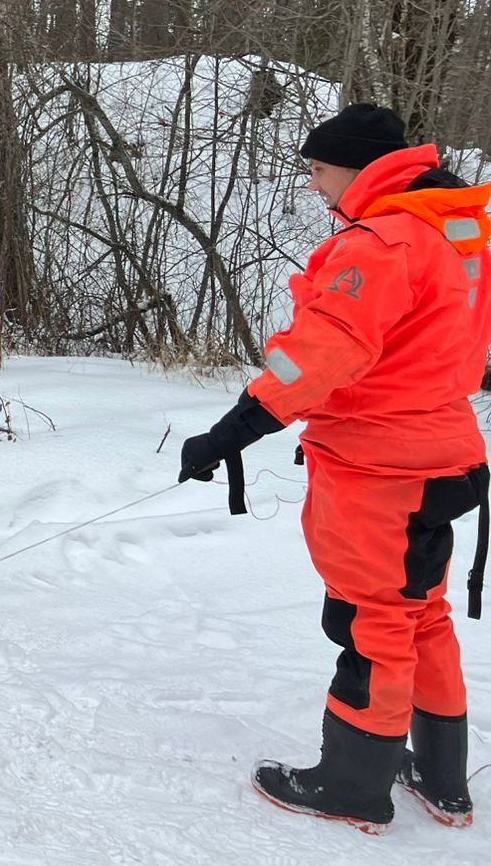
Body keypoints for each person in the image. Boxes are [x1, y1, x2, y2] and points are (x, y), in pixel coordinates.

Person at [179, 102, 491, 834]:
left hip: (377, 463)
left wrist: (237, 425)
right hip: (445, 452)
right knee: (421, 613)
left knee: (370, 618)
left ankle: (354, 783)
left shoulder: (377, 244)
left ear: (358, 167)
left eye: (319, 171)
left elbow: (318, 355)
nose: (316, 187)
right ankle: (442, 779)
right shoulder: (459, 229)